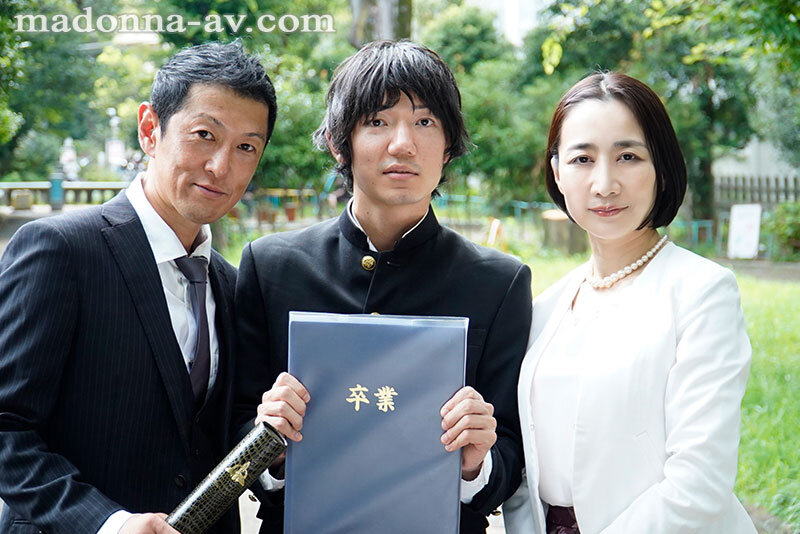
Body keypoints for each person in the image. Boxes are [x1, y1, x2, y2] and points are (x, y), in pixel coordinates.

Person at [233, 40, 532, 533]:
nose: (403, 144)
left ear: (449, 146)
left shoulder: (499, 282)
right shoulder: (271, 267)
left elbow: (513, 454)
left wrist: (477, 462)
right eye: (377, 121)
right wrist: (271, 446)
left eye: (425, 121)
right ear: (338, 142)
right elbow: (235, 429)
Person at [0, 42, 276, 534]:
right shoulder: (61, 250)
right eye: (204, 135)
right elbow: (7, 425)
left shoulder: (232, 284)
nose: (221, 166)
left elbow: (213, 437)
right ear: (150, 129)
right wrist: (109, 523)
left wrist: (273, 440)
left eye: (246, 147)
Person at [502, 72, 755, 533]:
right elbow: (528, 470)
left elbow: (700, 482)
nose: (604, 184)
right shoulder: (546, 308)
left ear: (662, 168)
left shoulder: (702, 293)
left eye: (628, 157)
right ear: (557, 172)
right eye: (582, 159)